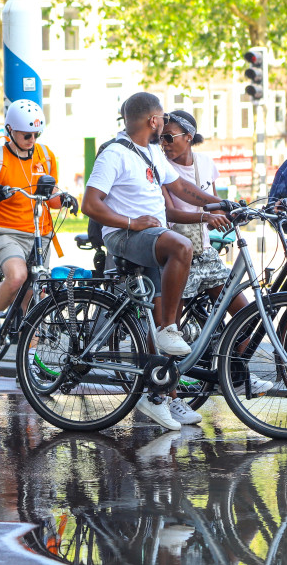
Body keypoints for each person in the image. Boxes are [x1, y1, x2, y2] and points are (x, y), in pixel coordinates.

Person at [81, 92, 227, 431]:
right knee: (180, 248)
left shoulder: (148, 153)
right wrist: (131, 223)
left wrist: (219, 204)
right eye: (161, 117)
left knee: (156, 317)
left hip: (148, 239)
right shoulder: (114, 153)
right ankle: (168, 329)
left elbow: (182, 188)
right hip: (127, 236)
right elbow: (90, 204)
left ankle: (160, 396)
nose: (163, 123)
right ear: (152, 120)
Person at [159, 110, 248, 423]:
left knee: (246, 314)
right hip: (177, 253)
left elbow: (211, 200)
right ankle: (167, 398)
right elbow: (168, 212)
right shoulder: (161, 165)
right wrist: (205, 216)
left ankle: (231, 372)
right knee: (169, 329)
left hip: (206, 253)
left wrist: (233, 210)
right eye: (161, 137)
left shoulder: (207, 163)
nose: (165, 143)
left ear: (188, 137)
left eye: (170, 137)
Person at [0, 99, 77, 351]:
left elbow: (50, 198)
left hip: (41, 234)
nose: (32, 139)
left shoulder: (45, 156)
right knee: (18, 276)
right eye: (26, 134)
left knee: (35, 297)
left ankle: (28, 363)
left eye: (36, 134)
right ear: (10, 130)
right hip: (6, 232)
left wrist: (65, 199)